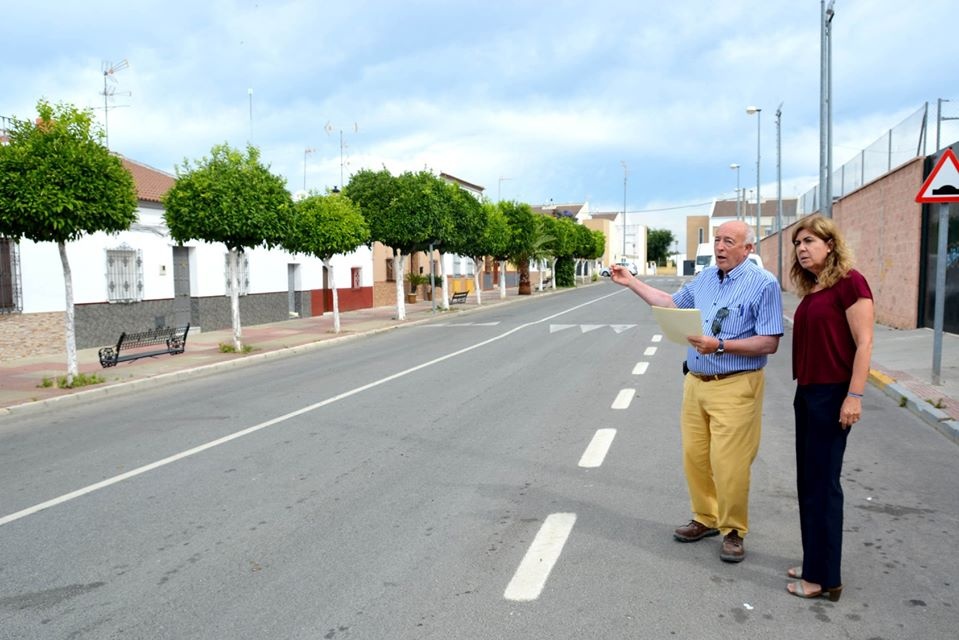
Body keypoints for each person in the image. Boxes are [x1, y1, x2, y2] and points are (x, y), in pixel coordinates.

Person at [611, 220, 783, 563]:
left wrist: (720, 345)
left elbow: (769, 341)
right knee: (696, 457)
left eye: (729, 241)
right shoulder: (705, 278)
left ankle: (733, 530)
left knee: (730, 463)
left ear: (748, 248)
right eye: (717, 239)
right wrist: (631, 282)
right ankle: (705, 517)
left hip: (736, 384)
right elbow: (671, 303)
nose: (719, 247)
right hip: (696, 383)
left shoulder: (764, 284)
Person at [787, 214, 874, 601]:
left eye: (809, 241)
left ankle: (825, 579)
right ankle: (814, 562)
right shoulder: (816, 288)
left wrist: (854, 396)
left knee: (823, 485)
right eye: (797, 243)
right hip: (807, 393)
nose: (802, 249)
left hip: (832, 394)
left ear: (830, 244)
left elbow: (865, 343)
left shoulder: (850, 283)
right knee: (808, 483)